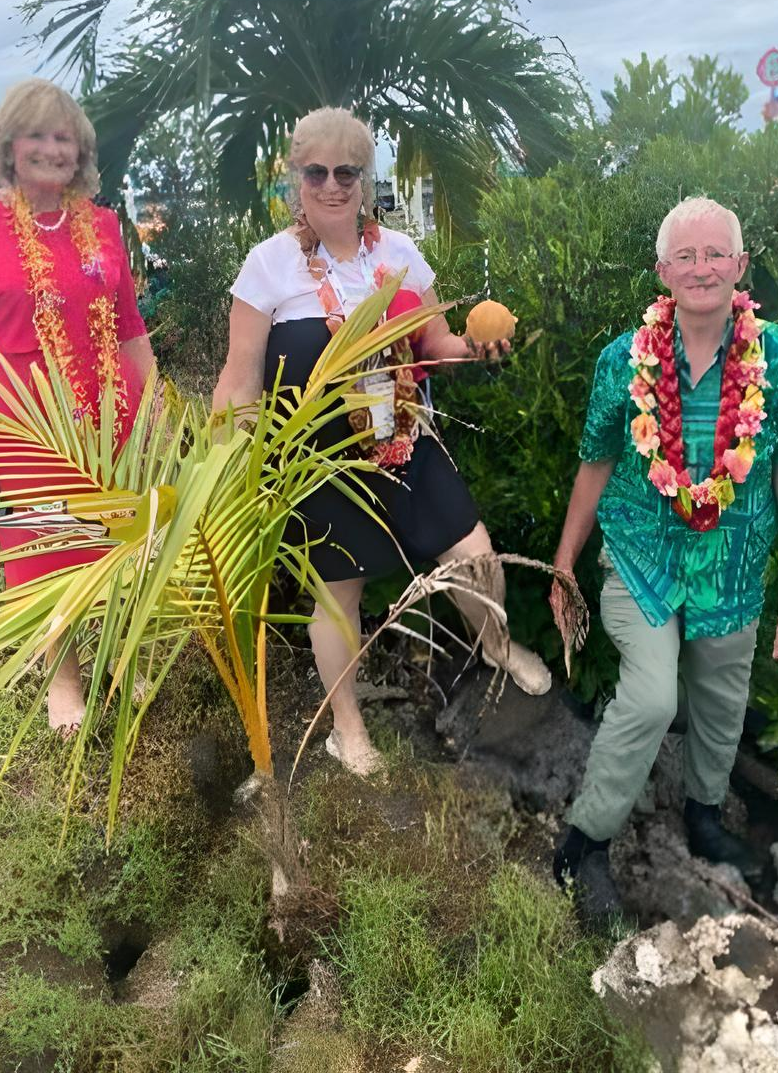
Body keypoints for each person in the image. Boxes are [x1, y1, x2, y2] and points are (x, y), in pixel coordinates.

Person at [214, 106, 550, 776]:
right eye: (317, 171)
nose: (333, 184)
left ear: (366, 179)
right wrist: (225, 455)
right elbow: (239, 377)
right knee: (338, 600)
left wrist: (477, 350)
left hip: (404, 441)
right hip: (321, 466)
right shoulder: (269, 267)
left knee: (476, 555)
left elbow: (432, 343)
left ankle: (494, 644)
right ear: (295, 178)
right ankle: (347, 727)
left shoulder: (397, 254)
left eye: (348, 172)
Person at [549, 197, 778, 912]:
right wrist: (564, 561)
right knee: (650, 698)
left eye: (715, 255)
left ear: (740, 267)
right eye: (686, 255)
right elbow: (597, 462)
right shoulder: (624, 360)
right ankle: (586, 842)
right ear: (662, 270)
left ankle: (704, 817)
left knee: (721, 697)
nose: (700, 268)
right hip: (641, 555)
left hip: (733, 566)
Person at [0, 79, 155, 733]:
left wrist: (153, 410)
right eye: (38, 136)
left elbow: (130, 326)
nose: (53, 149)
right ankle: (64, 679)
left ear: (80, 152)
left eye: (65, 138)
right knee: (46, 546)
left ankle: (121, 654)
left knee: (116, 542)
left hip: (112, 414)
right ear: (9, 146)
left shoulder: (102, 225)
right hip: (26, 425)